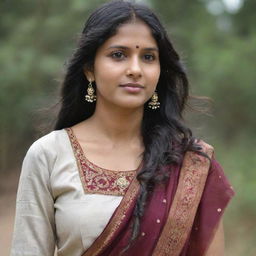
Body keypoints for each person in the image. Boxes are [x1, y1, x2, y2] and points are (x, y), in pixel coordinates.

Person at [11, 1, 234, 255]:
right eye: (118, 55)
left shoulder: (192, 163)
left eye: (148, 57)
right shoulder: (49, 154)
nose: (135, 70)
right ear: (89, 69)